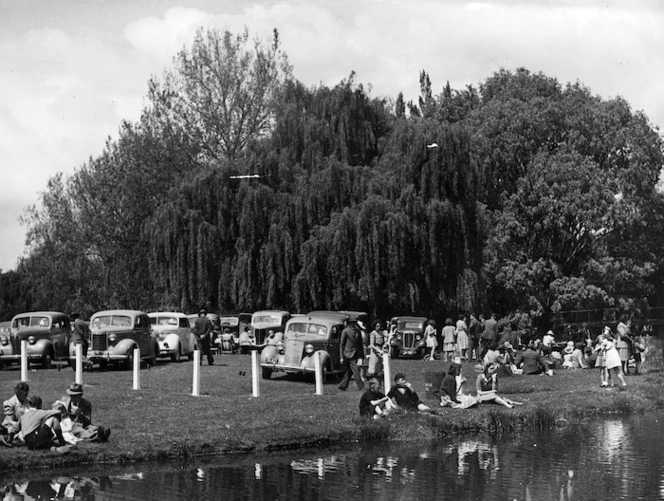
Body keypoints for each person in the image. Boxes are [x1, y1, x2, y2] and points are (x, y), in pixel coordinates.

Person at [338, 321, 365, 392]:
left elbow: (360, 344)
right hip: (348, 354)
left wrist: (361, 355)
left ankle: (342, 385)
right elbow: (342, 345)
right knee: (356, 370)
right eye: (353, 323)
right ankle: (361, 387)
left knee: (350, 371)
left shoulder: (358, 331)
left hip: (356, 354)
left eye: (355, 323)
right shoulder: (345, 331)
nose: (354, 324)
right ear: (350, 323)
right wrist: (341, 357)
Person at [2, 382, 30, 446]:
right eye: (24, 394)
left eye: (26, 393)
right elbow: (9, 421)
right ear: (19, 393)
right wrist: (21, 425)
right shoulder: (10, 403)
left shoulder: (27, 402)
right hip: (11, 426)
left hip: (23, 425)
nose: (26, 396)